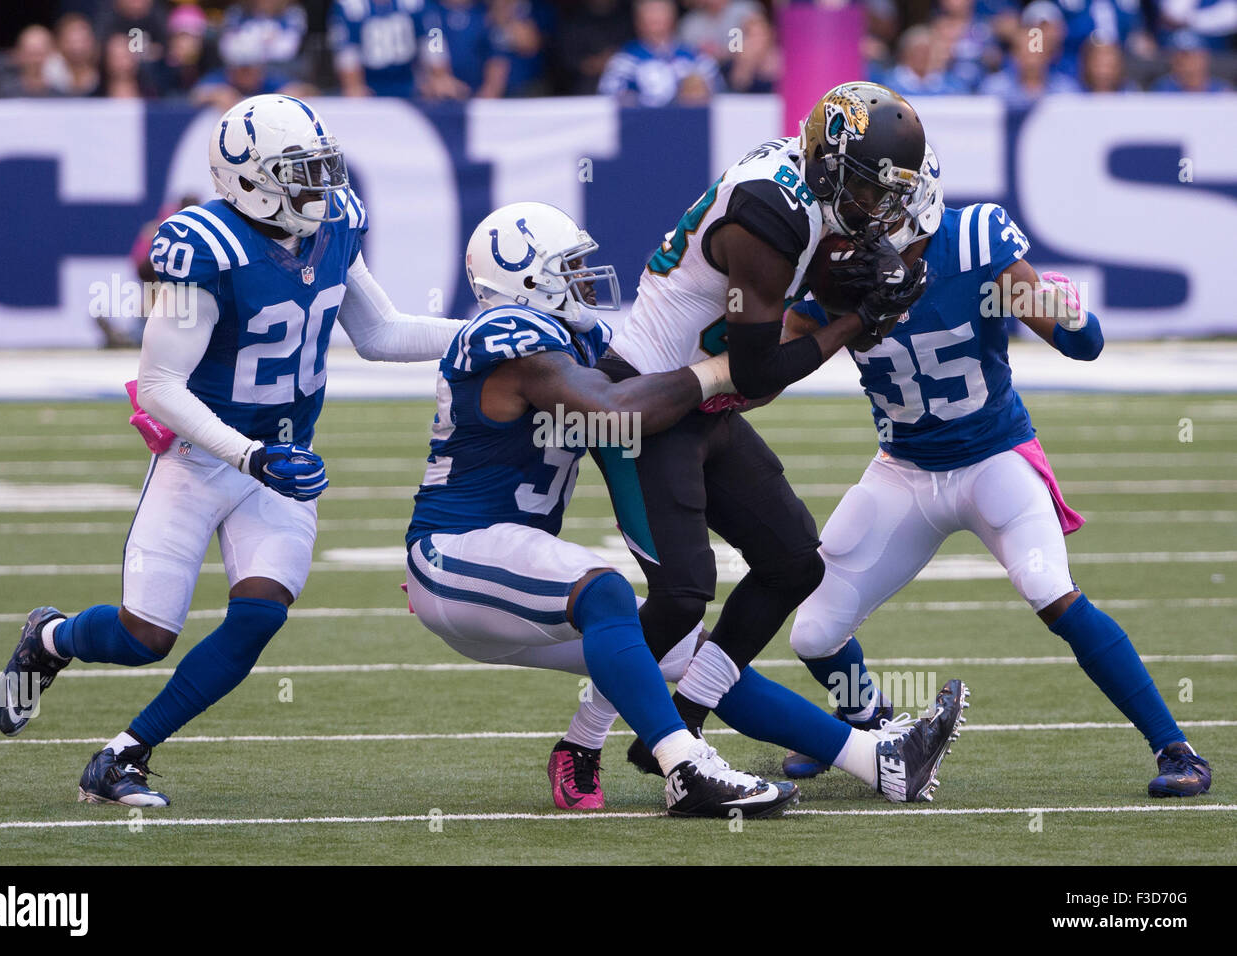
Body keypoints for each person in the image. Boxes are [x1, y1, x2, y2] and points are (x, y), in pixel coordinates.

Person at [405, 201, 966, 814]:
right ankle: (684, 768)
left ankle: (877, 762)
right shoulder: (509, 338)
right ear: (527, 279)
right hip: (455, 558)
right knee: (609, 593)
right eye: (567, 267)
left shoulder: (568, 340)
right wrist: (718, 371)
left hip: (512, 583)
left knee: (689, 653)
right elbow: (619, 410)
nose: (585, 279)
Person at [0, 95, 460, 807]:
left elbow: (382, 333)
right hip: (201, 459)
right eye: (298, 172)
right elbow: (159, 385)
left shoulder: (334, 225)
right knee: (145, 635)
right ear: (248, 179)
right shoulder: (199, 247)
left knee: (259, 615)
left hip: (280, 461)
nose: (320, 188)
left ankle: (124, 756)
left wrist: (484, 333)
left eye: (319, 168)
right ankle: (51, 639)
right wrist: (248, 454)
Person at [779, 145, 1213, 800]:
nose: (861, 217)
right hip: (905, 468)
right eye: (856, 203)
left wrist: (1065, 314)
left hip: (993, 458)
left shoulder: (976, 241)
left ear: (916, 201)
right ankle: (866, 722)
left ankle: (1175, 746)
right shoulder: (834, 268)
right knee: (812, 632)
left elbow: (1082, 343)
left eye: (876, 203)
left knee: (1048, 588)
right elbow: (773, 366)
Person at [594, 82, 926, 758]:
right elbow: (755, 372)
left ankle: (686, 714)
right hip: (647, 399)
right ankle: (582, 740)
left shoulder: (803, 184)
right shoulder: (769, 212)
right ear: (830, 165)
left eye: (887, 193)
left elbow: (761, 343)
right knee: (683, 596)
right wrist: (856, 318)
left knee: (792, 562)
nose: (875, 208)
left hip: (700, 398)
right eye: (867, 189)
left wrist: (849, 285)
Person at [598, 0, 722, 106]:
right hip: (641, 127)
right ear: (638, 21)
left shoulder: (693, 55)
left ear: (673, 18)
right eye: (649, 13)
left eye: (660, 13)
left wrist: (700, 90)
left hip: (688, 126)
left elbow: (719, 89)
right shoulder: (626, 58)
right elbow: (609, 95)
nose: (655, 18)